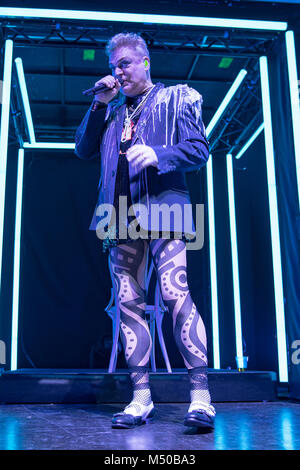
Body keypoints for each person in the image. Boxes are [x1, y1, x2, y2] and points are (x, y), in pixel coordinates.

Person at [75, 32, 216, 430]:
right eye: (114, 65)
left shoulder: (176, 98)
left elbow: (200, 149)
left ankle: (201, 398)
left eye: (125, 63)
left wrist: (159, 154)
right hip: (117, 215)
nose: (118, 71)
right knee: (128, 304)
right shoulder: (111, 109)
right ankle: (141, 399)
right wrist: (99, 103)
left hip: (164, 208)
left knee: (175, 293)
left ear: (145, 62)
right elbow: (82, 150)